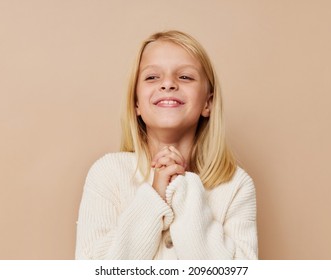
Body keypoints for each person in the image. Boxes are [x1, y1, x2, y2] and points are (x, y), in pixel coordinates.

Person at [75, 30, 258, 259]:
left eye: (185, 77)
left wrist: (184, 192)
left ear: (208, 103)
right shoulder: (107, 174)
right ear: (136, 104)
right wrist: (154, 196)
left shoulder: (236, 185)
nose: (168, 84)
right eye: (152, 77)